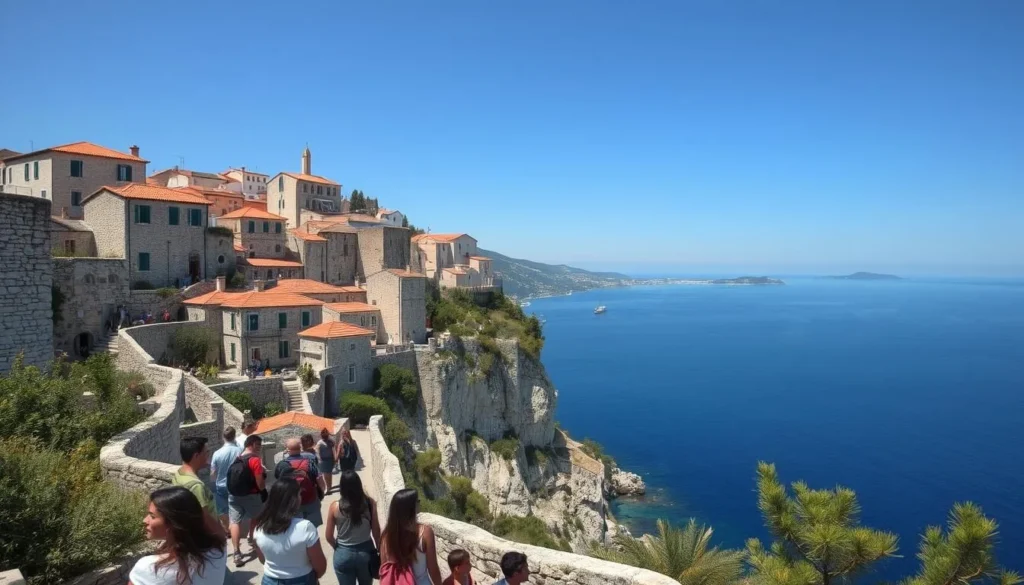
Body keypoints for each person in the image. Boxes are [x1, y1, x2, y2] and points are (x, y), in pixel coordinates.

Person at [128, 486, 227, 585]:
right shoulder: (218, 551)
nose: (145, 520)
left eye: (152, 516)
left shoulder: (149, 568)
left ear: (174, 524)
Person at [252, 477, 328, 585]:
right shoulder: (305, 527)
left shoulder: (259, 528)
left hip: (270, 580)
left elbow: (263, 560)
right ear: (293, 500)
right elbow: (320, 566)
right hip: (302, 579)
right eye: (299, 494)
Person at [326, 470, 381, 585]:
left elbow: (328, 536)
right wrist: (379, 550)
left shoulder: (334, 507)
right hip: (366, 553)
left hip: (343, 553)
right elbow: (376, 532)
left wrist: (339, 548)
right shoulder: (369, 503)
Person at [379, 488, 442, 585]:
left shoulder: (386, 536)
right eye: (417, 501)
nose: (419, 503)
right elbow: (433, 569)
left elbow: (384, 568)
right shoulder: (424, 532)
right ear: (411, 507)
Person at [228, 434, 266, 567]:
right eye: (258, 445)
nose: (260, 447)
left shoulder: (237, 458)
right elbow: (260, 484)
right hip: (251, 495)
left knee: (235, 522)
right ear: (252, 444)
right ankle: (253, 541)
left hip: (234, 495)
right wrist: (263, 489)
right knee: (256, 518)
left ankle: (236, 552)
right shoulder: (255, 460)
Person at [171, 437, 220, 533]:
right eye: (206, 452)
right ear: (196, 456)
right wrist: (220, 534)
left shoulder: (179, 473)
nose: (208, 456)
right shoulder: (196, 486)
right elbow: (205, 519)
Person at [274, 438, 324, 526]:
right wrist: (321, 493)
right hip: (310, 499)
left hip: (291, 502)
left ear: (288, 450)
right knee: (312, 526)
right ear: (300, 448)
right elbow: (320, 480)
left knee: (294, 527)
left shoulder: (282, 465)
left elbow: (279, 483)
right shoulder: (310, 462)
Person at [210, 426, 243, 532]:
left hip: (221, 485)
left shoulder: (217, 453)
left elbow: (213, 473)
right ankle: (234, 528)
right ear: (234, 436)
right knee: (236, 508)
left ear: (223, 437)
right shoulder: (240, 451)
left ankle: (227, 530)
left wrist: (214, 482)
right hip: (236, 485)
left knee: (223, 510)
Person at [316, 428, 337, 493]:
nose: (325, 435)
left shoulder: (330, 441)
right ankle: (328, 488)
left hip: (330, 460)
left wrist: (335, 458)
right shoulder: (320, 442)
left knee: (329, 474)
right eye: (324, 434)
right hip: (323, 461)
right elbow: (317, 451)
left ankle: (329, 486)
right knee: (326, 475)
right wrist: (319, 459)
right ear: (321, 435)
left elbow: (334, 449)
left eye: (326, 434)